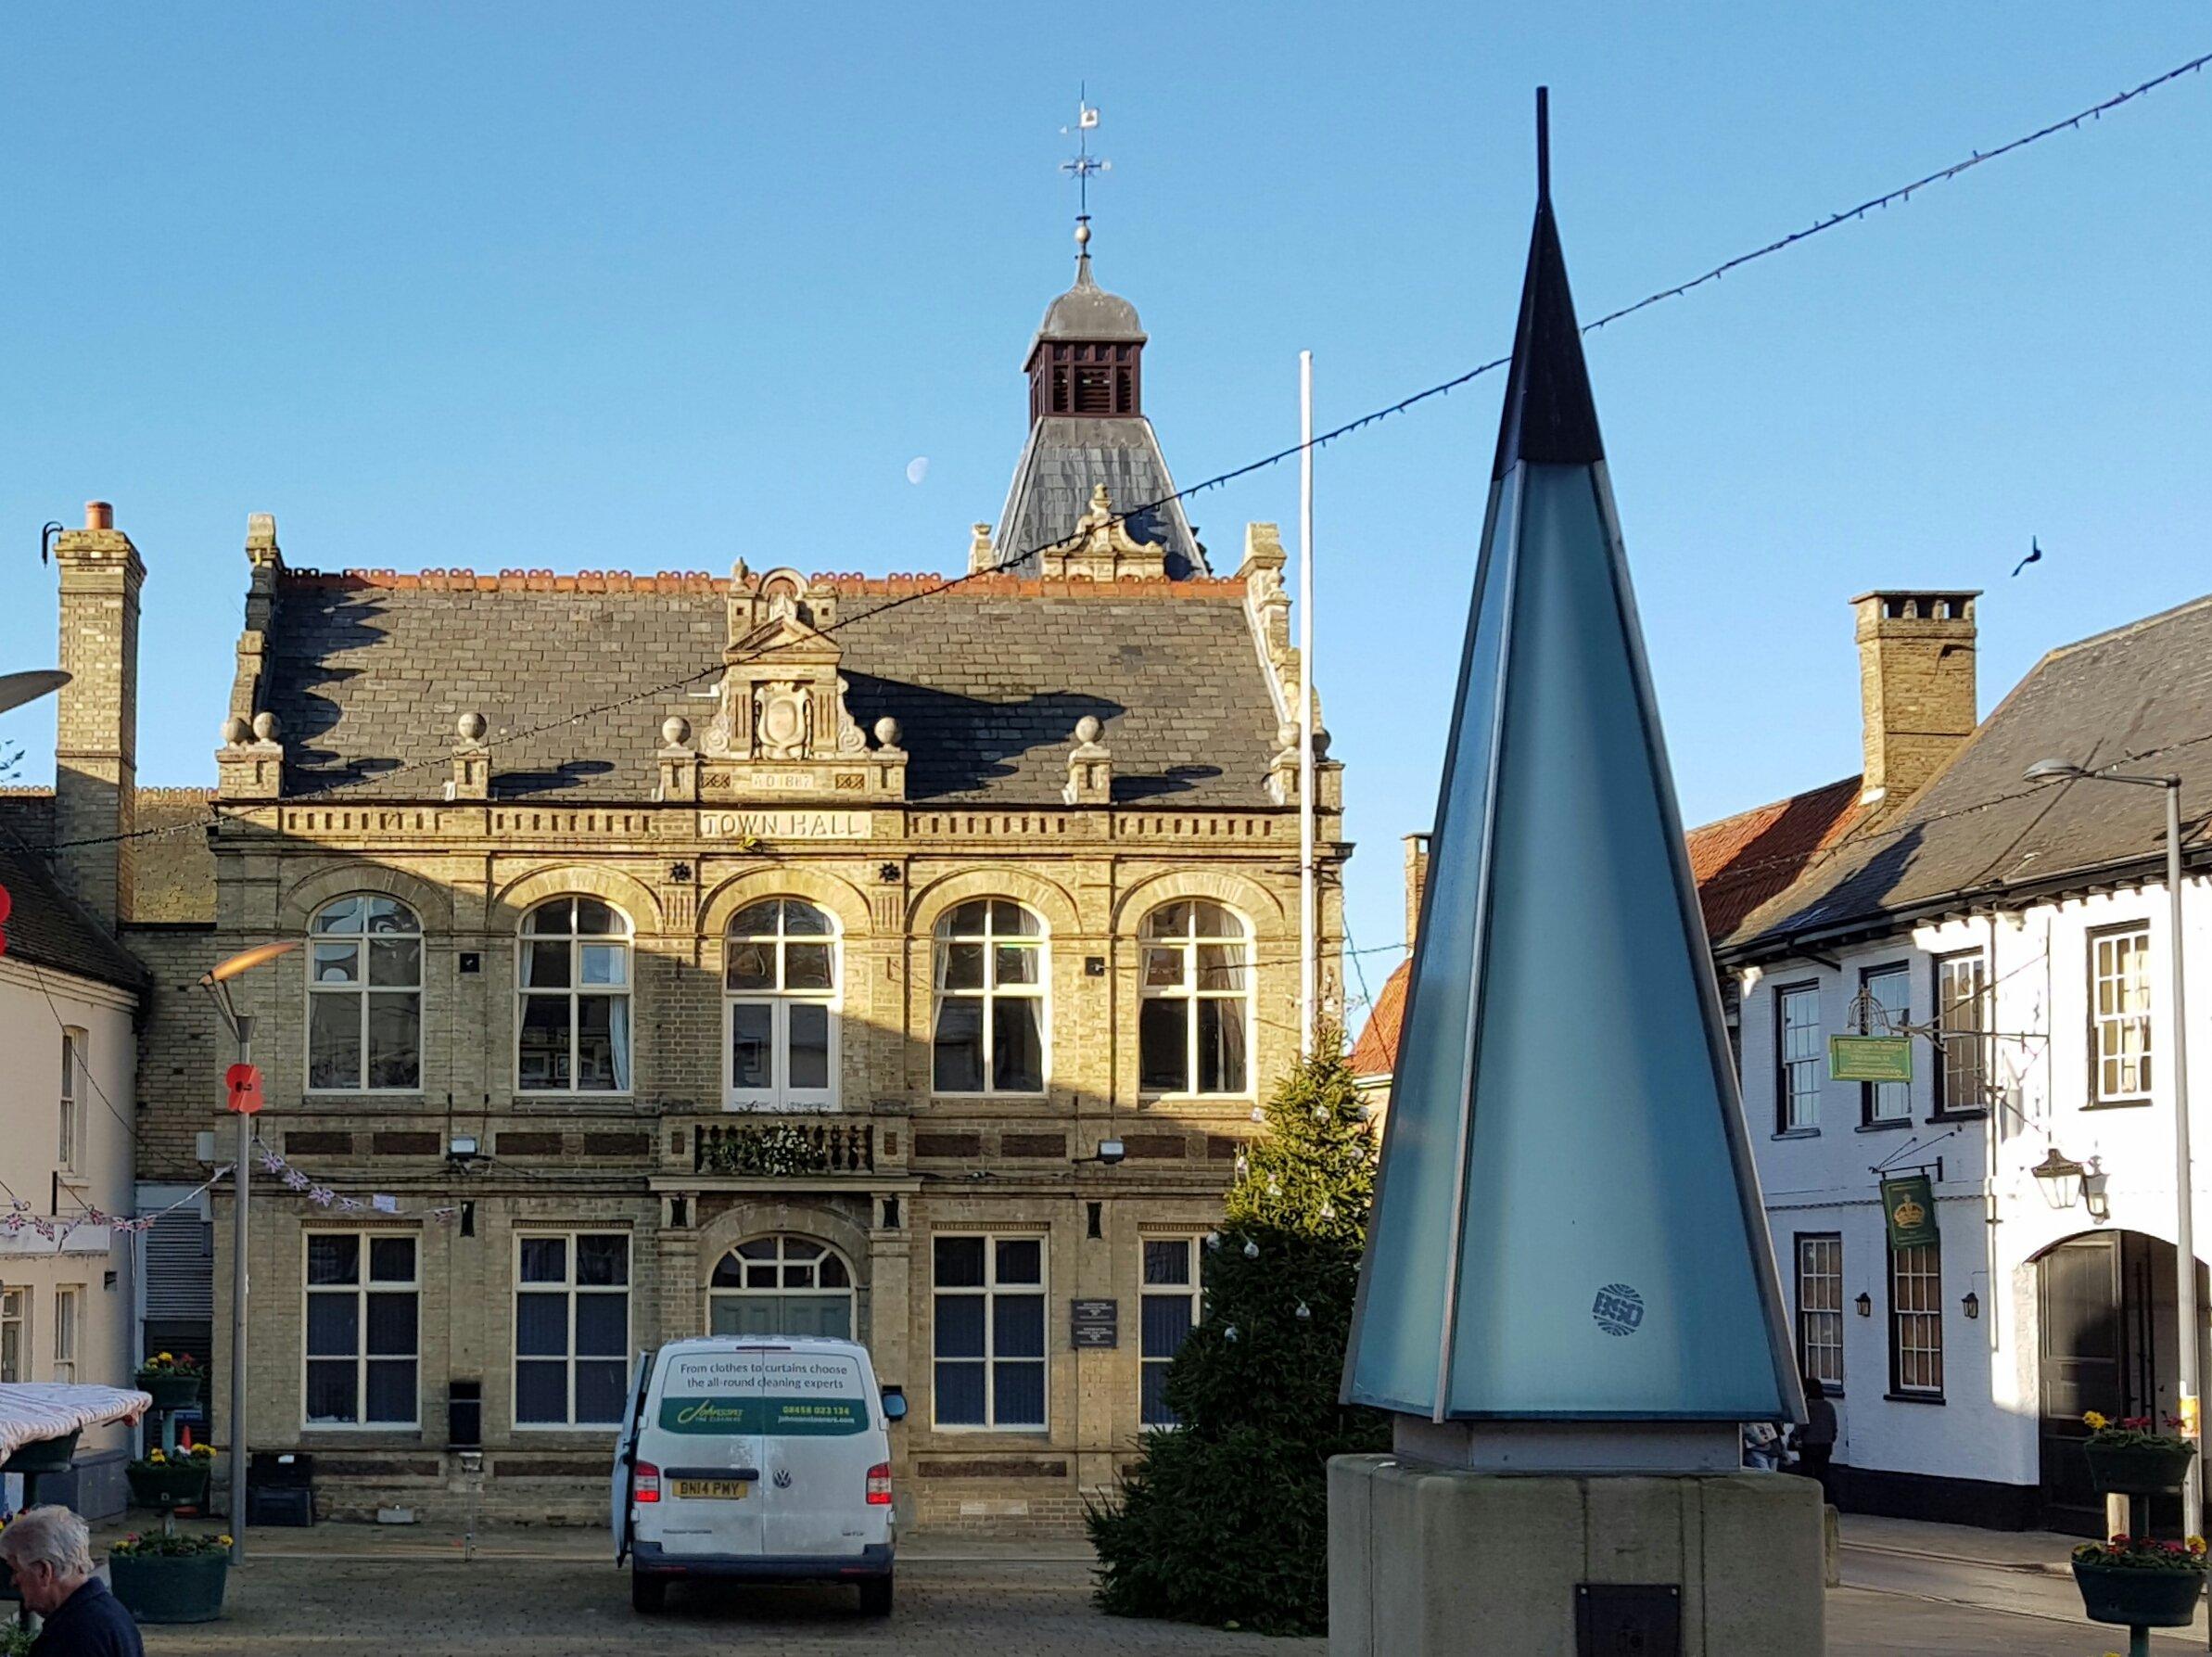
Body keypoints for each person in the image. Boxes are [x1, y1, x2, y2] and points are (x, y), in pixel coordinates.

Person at [0, 1506, 145, 1656]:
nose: (14, 1581)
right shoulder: (112, 1614)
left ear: (44, 1571)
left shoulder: (70, 1636)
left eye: (17, 1570)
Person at [1790, 1376, 1837, 1501]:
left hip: (1809, 1444)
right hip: (1825, 1444)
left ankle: (1808, 1499)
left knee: (1807, 1473)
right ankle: (1826, 1499)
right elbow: (1834, 1427)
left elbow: (1801, 1425)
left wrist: (1795, 1438)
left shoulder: (1806, 1407)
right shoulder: (1829, 1406)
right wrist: (1831, 1438)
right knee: (1823, 1473)